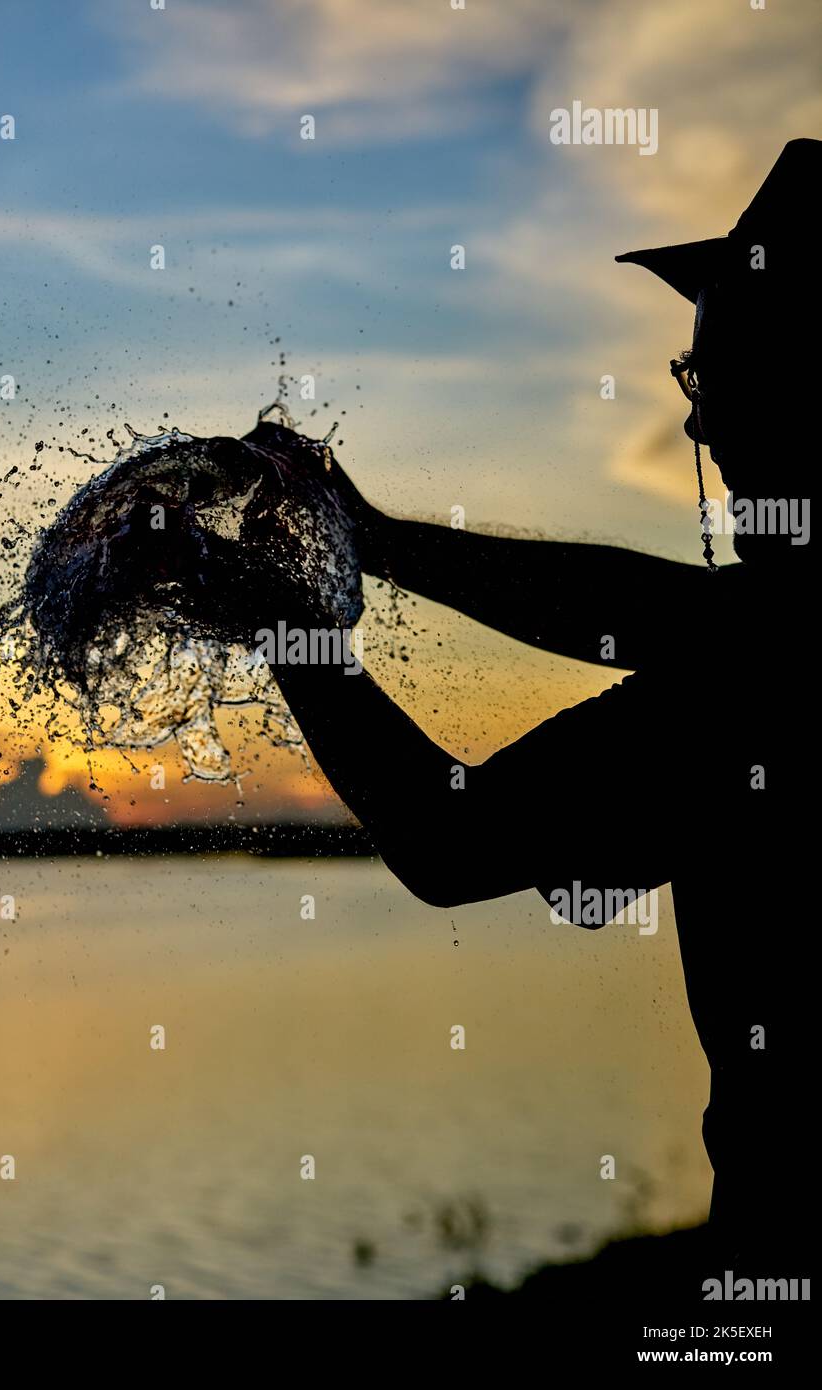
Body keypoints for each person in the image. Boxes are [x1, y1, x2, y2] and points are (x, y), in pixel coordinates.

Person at [239, 140, 818, 1278]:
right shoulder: (756, 643)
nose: (701, 430)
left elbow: (447, 836)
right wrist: (377, 538)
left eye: (723, 380)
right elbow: (652, 611)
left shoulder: (753, 675)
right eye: (694, 383)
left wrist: (290, 630)